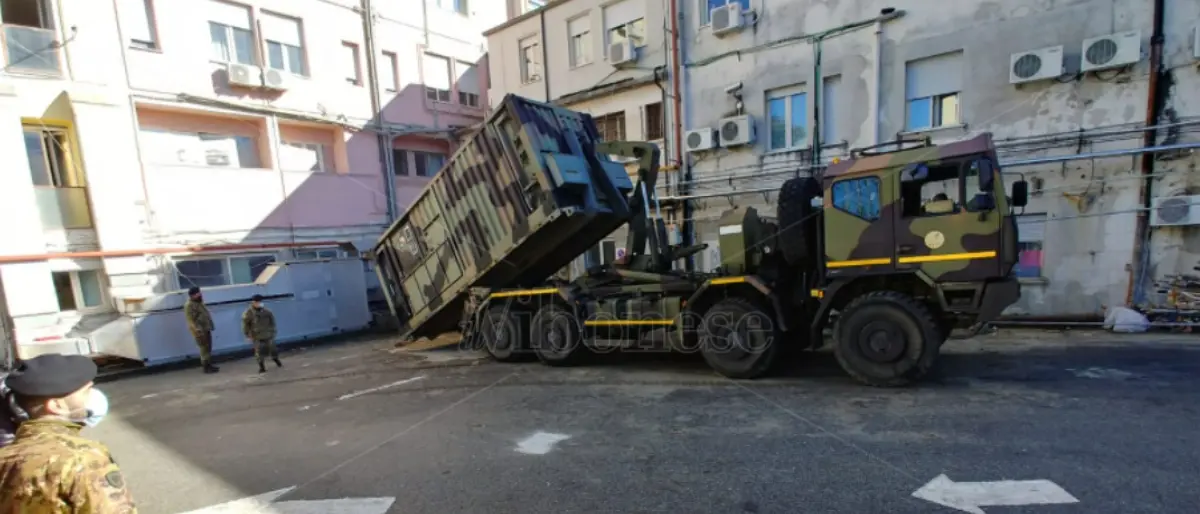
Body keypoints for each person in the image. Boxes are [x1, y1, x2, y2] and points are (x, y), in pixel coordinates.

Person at [0, 353, 136, 512]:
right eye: (87, 391)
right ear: (56, 406)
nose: (93, 397)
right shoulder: (82, 458)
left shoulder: (5, 458)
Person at [241, 294, 281, 374]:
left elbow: (272, 322)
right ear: (253, 302)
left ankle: (276, 360)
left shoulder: (266, 311)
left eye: (260, 302)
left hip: (268, 334)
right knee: (259, 352)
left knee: (273, 349)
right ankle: (261, 366)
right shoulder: (248, 313)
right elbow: (245, 325)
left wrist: (273, 331)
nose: (259, 303)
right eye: (257, 302)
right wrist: (247, 335)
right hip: (257, 335)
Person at [184, 287, 219, 374]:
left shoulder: (199, 302)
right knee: (204, 348)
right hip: (199, 330)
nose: (200, 294)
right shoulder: (189, 305)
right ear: (192, 295)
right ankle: (206, 367)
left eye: (199, 293)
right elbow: (190, 320)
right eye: (197, 293)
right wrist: (197, 330)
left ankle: (209, 365)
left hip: (206, 328)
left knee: (208, 348)